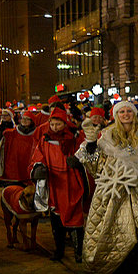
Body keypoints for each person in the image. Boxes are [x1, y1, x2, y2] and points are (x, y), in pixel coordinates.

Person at [77, 99, 138, 274]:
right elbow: (96, 164)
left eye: (129, 111)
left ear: (134, 114)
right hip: (114, 187)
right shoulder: (107, 135)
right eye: (122, 112)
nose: (126, 114)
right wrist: (90, 144)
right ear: (116, 115)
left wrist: (137, 175)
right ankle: (116, 263)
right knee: (114, 225)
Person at [29, 107, 89, 262]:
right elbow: (38, 155)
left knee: (75, 216)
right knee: (56, 216)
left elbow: (86, 152)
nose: (55, 127)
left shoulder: (75, 138)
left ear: (65, 123)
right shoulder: (45, 139)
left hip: (71, 180)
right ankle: (59, 249)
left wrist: (78, 161)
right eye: (53, 124)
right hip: (55, 182)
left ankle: (79, 252)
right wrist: (39, 167)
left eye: (58, 124)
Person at [0, 109, 38, 186]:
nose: (24, 121)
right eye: (23, 118)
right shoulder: (11, 133)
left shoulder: (36, 134)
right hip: (14, 166)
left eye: (27, 119)